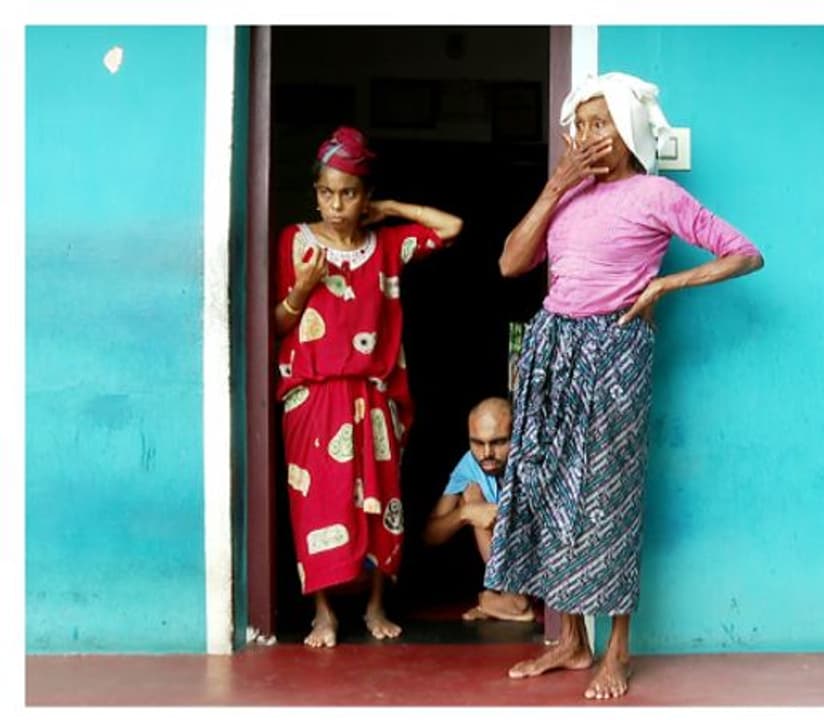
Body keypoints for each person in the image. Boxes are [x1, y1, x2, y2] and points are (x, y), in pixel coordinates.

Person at [484, 72, 765, 700]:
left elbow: (745, 254)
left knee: (608, 497)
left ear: (627, 131)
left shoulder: (656, 195)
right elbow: (509, 262)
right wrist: (556, 184)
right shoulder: (567, 195)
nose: (586, 135)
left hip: (613, 353)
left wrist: (666, 285)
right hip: (551, 351)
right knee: (550, 487)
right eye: (579, 125)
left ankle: (618, 650)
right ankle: (572, 641)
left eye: (599, 123)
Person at [274, 126, 463, 648]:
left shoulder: (386, 247)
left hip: (375, 396)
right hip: (314, 395)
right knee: (319, 504)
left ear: (366, 195)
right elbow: (272, 324)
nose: (336, 205)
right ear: (315, 193)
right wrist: (302, 291)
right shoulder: (295, 243)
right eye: (327, 193)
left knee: (381, 501)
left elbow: (452, 227)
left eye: (349, 193)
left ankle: (377, 605)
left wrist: (393, 208)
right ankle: (323, 612)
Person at [422, 397, 533, 621]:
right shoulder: (471, 464)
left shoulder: (530, 459)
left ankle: (512, 603)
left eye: (499, 442)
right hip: (507, 570)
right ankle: (508, 600)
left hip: (539, 565)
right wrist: (468, 512)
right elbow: (430, 535)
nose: (486, 453)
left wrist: (494, 511)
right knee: (470, 499)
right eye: (477, 443)